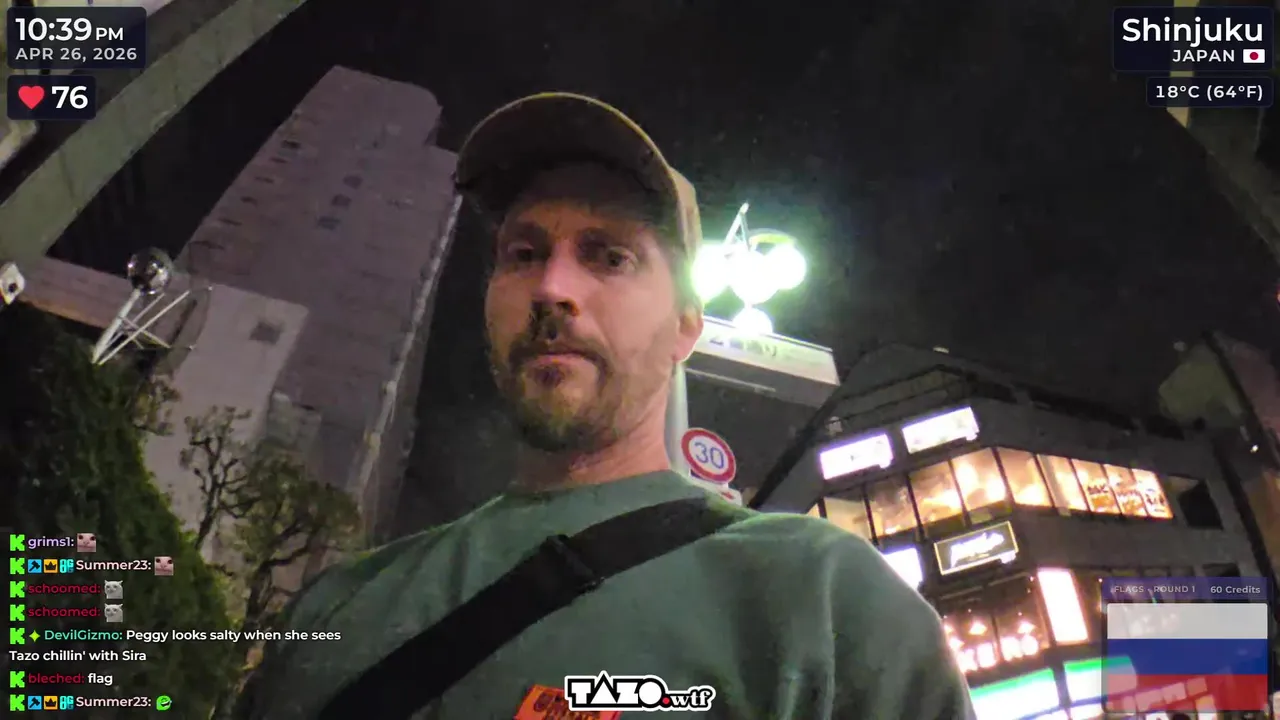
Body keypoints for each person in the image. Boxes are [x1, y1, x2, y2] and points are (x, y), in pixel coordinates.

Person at [233, 93, 975, 719]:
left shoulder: (826, 600)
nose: (552, 288)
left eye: (610, 256)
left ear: (685, 327)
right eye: (523, 254)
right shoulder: (334, 611)